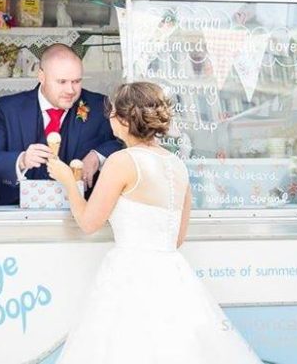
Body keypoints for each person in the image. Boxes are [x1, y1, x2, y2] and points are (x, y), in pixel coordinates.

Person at [47, 82, 263, 363]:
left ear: (124, 119)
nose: (109, 119)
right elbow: (177, 238)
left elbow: (88, 222)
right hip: (172, 274)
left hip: (129, 275)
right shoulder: (176, 165)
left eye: (111, 113)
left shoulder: (122, 161)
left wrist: (68, 181)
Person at [0, 44, 121, 207]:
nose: (71, 90)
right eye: (62, 82)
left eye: (76, 81)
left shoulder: (98, 106)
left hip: (78, 210)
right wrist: (22, 160)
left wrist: (98, 155)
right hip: (14, 207)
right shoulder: (9, 108)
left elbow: (124, 143)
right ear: (42, 77)